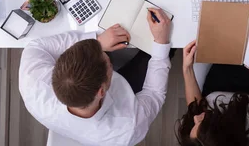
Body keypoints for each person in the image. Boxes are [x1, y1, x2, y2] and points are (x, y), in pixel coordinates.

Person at [19, 9, 171, 146]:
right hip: (124, 100)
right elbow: (154, 93)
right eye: (108, 63)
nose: (105, 54)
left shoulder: (33, 85)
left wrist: (98, 41)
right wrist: (161, 43)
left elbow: (36, 47)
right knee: (161, 48)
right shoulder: (128, 127)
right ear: (101, 91)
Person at [176, 40, 249, 145]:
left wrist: (187, 69)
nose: (196, 118)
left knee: (231, 40)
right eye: (202, 121)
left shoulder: (195, 135)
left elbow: (196, 107)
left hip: (218, 86)